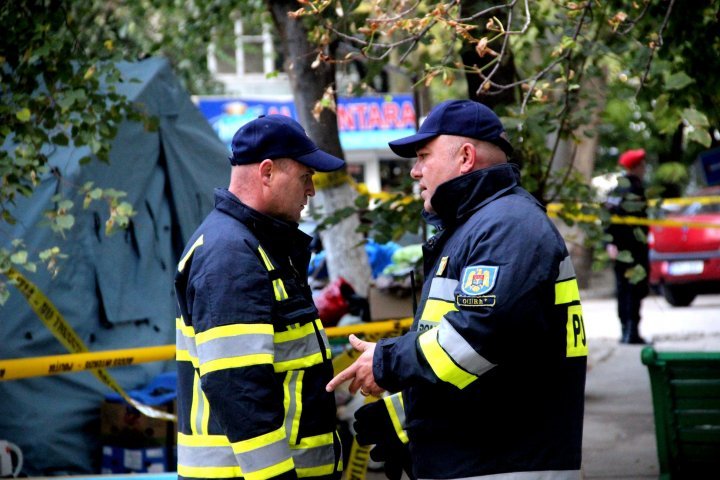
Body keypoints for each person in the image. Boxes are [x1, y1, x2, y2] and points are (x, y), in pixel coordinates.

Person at [326, 99, 587, 480]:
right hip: (483, 459)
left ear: (465, 157)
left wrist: (387, 361)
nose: (415, 171)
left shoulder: (508, 225)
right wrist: (404, 419)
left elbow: (481, 337)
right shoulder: (480, 225)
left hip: (505, 465)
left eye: (423, 156)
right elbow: (477, 369)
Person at [175, 114, 345, 480]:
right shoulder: (231, 254)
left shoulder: (254, 246)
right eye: (305, 176)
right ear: (267, 172)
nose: (311, 190)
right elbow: (238, 387)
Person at [605, 148, 650, 344]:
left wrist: (608, 243)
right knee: (634, 288)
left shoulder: (616, 189)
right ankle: (631, 332)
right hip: (633, 249)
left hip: (620, 249)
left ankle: (626, 331)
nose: (645, 168)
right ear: (637, 167)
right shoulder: (635, 189)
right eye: (643, 165)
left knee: (624, 289)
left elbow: (605, 219)